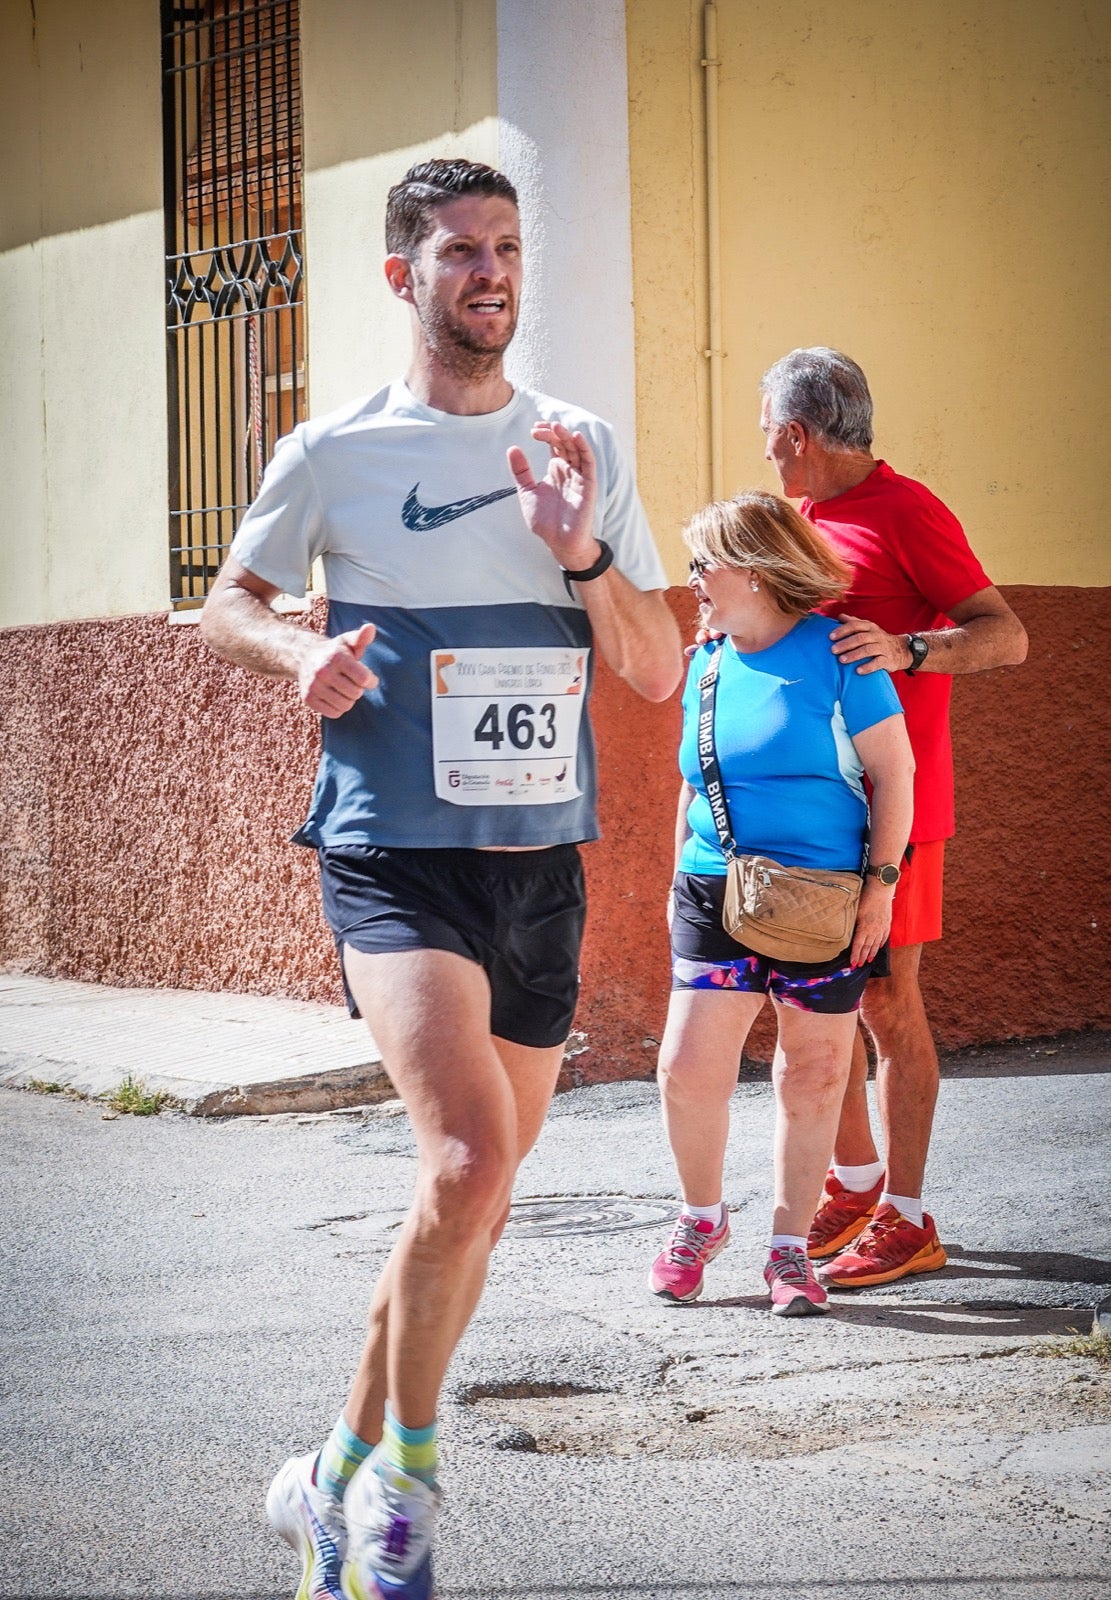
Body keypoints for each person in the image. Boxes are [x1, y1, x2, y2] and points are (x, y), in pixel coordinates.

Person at [200, 158, 681, 1600]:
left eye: (509, 247)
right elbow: (230, 601)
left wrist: (579, 552)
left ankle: (325, 1478)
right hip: (392, 859)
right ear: (403, 275)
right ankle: (400, 1502)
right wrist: (303, 652)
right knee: (466, 1164)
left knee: (464, 1201)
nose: (491, 271)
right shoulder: (337, 452)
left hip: (538, 869)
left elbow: (653, 670)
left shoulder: (579, 446)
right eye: (462, 249)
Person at [759, 347, 1028, 1288]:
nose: (765, 456)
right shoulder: (796, 515)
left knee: (883, 999)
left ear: (796, 433)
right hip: (803, 806)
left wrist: (908, 646)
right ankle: (855, 1180)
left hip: (896, 808)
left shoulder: (908, 510)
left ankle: (908, 1217)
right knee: (804, 994)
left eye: (768, 439)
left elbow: (1005, 633)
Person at [647, 492, 914, 1316]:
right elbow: (695, 781)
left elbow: (893, 776)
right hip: (712, 887)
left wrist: (880, 889)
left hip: (822, 900)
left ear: (756, 570)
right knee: (688, 1069)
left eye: (704, 563)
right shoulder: (706, 661)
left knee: (814, 1072)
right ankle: (700, 1219)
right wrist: (672, 875)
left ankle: (789, 1248)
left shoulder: (838, 656)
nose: (692, 578)